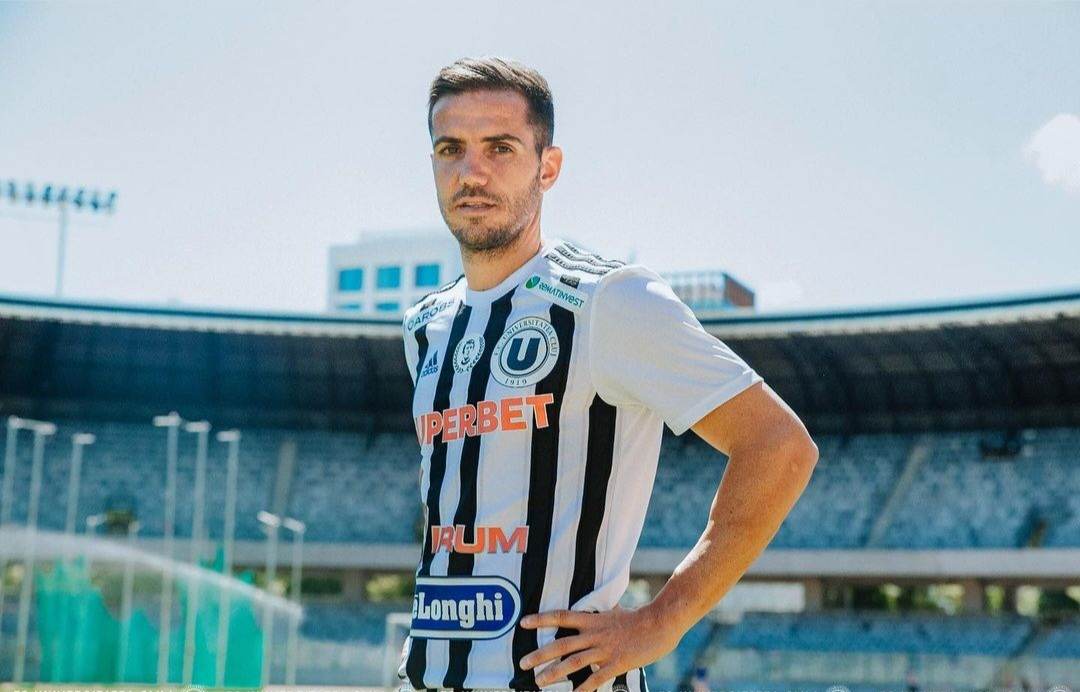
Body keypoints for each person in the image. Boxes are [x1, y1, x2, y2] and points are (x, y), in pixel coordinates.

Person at [399, 55, 818, 692]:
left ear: (548, 167)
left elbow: (779, 445)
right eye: (450, 148)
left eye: (500, 148)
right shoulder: (426, 325)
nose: (471, 171)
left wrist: (663, 622)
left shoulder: (606, 300)